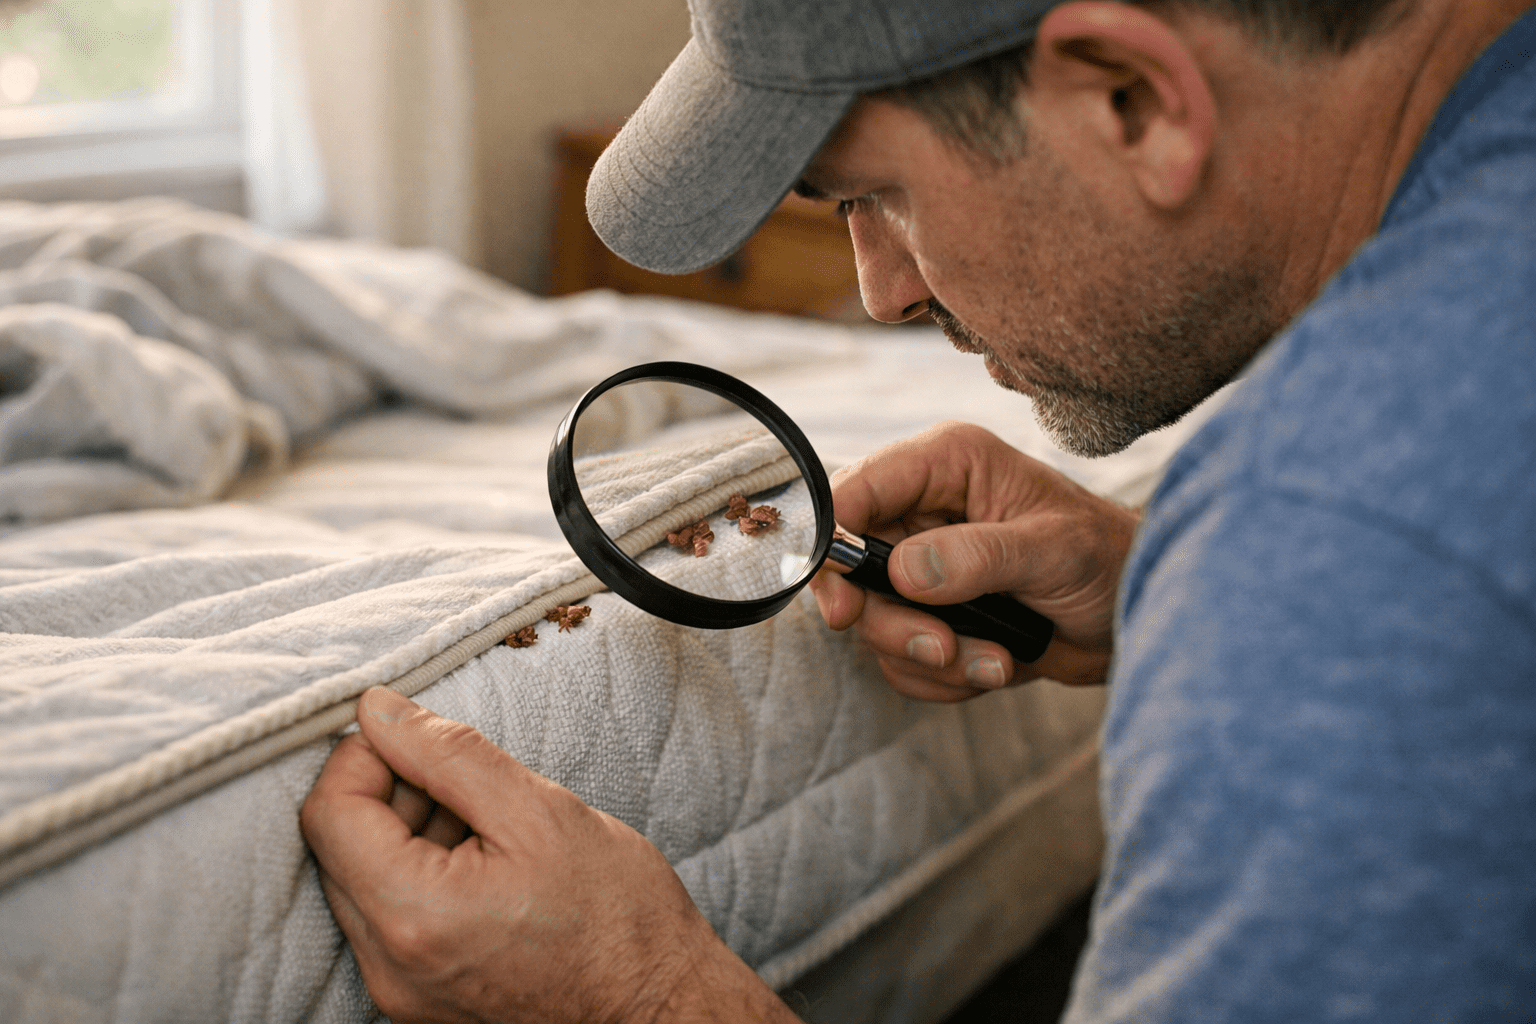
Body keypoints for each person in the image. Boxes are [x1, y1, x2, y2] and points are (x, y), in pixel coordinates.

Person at [300, 0, 1536, 1019]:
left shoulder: (1341, 538)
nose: (881, 293)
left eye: (873, 193)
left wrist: (643, 996)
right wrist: (1162, 586)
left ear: (1132, 99)